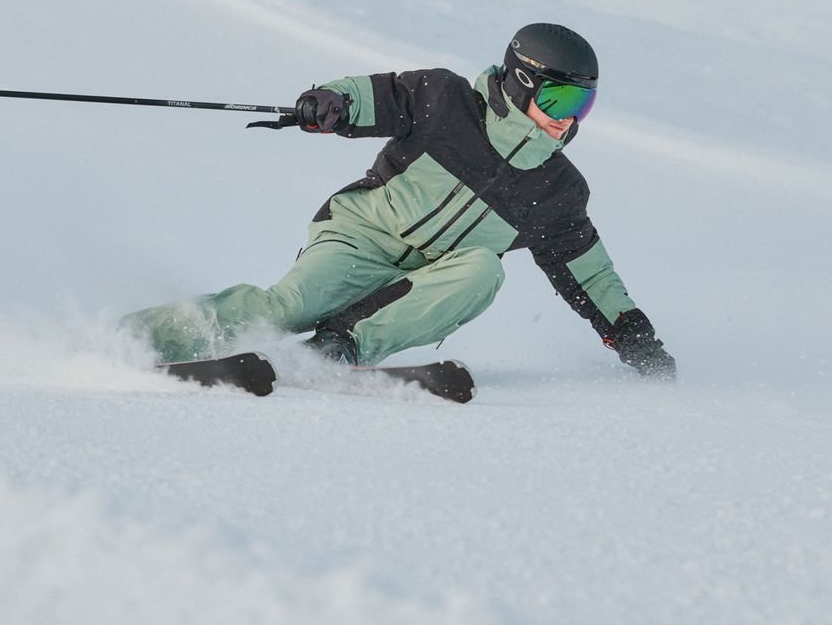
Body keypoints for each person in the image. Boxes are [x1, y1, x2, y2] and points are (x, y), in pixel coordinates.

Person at [124, 23, 676, 378]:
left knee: (484, 269)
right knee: (286, 309)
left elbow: (590, 272)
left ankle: (338, 350)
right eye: (558, 98)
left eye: (582, 105)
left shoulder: (556, 188)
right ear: (522, 85)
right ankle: (136, 337)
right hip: (361, 237)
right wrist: (330, 102)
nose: (567, 117)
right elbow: (375, 96)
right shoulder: (444, 100)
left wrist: (633, 337)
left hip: (431, 278)